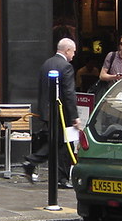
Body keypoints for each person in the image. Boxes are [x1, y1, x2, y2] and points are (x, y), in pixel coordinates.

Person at [23, 37, 80, 188]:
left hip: (47, 112)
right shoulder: (66, 67)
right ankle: (35, 162)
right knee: (62, 143)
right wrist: (74, 116)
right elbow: (69, 93)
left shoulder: (46, 64)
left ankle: (55, 175)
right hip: (61, 113)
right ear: (67, 50)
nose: (74, 55)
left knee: (58, 143)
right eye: (73, 51)